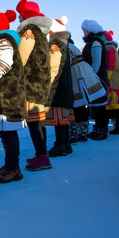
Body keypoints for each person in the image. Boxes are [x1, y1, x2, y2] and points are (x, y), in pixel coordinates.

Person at [0, 10, 27, 183]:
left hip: (7, 95)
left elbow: (2, 65)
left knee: (8, 133)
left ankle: (14, 169)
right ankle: (9, 165)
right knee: (5, 133)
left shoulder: (3, 41)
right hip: (1, 94)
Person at [15, 0, 52, 171]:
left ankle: (42, 156)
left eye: (20, 16)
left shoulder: (29, 32)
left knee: (34, 121)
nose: (18, 19)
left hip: (31, 82)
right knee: (38, 120)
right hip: (40, 81)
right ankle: (42, 154)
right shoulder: (41, 32)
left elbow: (22, 56)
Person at [45, 18, 75, 158]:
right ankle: (66, 144)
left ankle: (60, 145)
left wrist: (47, 84)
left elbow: (53, 67)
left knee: (59, 120)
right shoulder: (64, 44)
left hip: (57, 89)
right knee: (63, 120)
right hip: (65, 86)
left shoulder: (55, 45)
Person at [81, 20, 109, 140]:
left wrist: (92, 76)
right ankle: (98, 128)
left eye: (85, 30)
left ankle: (102, 130)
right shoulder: (92, 42)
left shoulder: (95, 43)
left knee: (100, 106)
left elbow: (96, 63)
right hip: (94, 77)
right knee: (96, 105)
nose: (84, 32)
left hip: (97, 78)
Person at [103, 31, 119, 134]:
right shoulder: (112, 48)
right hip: (114, 81)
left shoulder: (109, 49)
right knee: (114, 107)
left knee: (113, 106)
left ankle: (118, 127)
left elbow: (110, 64)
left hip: (112, 82)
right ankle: (118, 126)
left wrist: (107, 77)